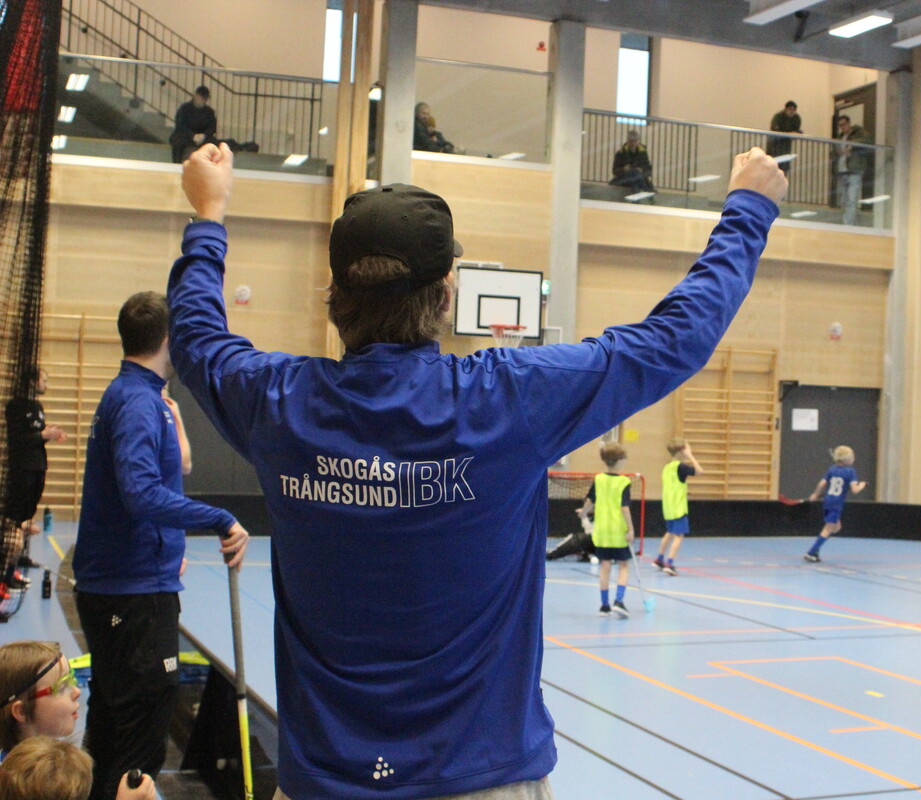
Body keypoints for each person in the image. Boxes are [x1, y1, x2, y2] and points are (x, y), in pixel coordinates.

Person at [170, 141, 785, 799]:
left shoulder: (277, 404)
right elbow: (672, 340)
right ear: (446, 295)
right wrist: (747, 209)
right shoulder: (507, 398)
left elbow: (196, 336)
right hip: (482, 777)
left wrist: (209, 215)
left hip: (325, 782)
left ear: (334, 296)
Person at [71, 292, 249, 800]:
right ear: (170, 339)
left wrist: (168, 550)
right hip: (131, 595)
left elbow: (162, 477)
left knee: (114, 725)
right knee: (137, 740)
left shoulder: (140, 395)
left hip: (133, 583)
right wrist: (219, 518)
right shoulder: (136, 402)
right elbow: (141, 493)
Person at [0, 644, 155, 800]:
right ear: (21, 711)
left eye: (72, 679)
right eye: (62, 687)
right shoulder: (37, 783)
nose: (76, 691)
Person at [3, 368, 66, 597]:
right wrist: (42, 435)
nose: (45, 384)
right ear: (31, 381)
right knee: (14, 521)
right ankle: (6, 574)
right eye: (43, 380)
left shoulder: (37, 406)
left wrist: (49, 434)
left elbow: (37, 436)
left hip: (38, 466)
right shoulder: (16, 406)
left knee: (27, 517)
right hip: (22, 469)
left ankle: (18, 561)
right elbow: (18, 440)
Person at [579, 444, 636, 617]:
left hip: (602, 532)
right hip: (618, 532)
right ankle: (619, 602)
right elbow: (624, 508)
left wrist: (583, 513)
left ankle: (604, 606)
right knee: (623, 566)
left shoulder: (599, 479)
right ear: (619, 461)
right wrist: (631, 529)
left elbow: (590, 501)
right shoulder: (624, 482)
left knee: (605, 566)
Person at [804, 445, 866, 563]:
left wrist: (815, 494)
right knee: (829, 528)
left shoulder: (832, 469)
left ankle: (816, 549)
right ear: (846, 459)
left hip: (827, 501)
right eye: (852, 456)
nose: (854, 458)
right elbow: (855, 490)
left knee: (836, 527)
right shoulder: (850, 471)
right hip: (836, 504)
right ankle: (811, 552)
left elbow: (822, 483)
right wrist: (862, 485)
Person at [654, 438, 703, 576]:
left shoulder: (667, 467)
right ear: (682, 451)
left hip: (668, 506)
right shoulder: (681, 467)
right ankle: (669, 564)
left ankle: (659, 559)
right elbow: (699, 471)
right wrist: (691, 456)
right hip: (678, 507)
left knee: (669, 532)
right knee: (679, 535)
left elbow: (673, 485)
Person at [832, 115, 871, 226]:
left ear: (849, 123)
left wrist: (852, 145)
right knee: (844, 200)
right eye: (840, 125)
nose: (842, 127)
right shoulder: (840, 137)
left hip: (854, 170)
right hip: (842, 170)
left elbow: (868, 140)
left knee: (852, 198)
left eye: (844, 124)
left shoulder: (858, 132)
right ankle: (848, 222)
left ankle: (849, 224)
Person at [169, 86, 216, 164]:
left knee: (213, 143)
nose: (204, 101)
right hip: (186, 135)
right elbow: (180, 125)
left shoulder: (209, 112)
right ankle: (177, 163)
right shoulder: (184, 108)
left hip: (203, 137)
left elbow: (212, 128)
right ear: (196, 96)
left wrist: (204, 135)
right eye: (202, 98)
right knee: (177, 140)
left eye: (205, 99)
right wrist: (192, 135)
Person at [609, 129, 654, 194]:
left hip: (635, 179)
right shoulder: (620, 153)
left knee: (636, 176)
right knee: (636, 178)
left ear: (638, 141)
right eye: (631, 141)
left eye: (635, 141)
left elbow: (648, 170)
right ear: (628, 141)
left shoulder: (643, 153)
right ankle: (641, 194)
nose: (633, 143)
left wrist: (641, 170)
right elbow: (615, 171)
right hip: (626, 178)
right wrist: (624, 169)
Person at [766, 101, 801, 173]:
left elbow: (796, 130)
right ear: (785, 109)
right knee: (773, 165)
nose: (791, 112)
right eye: (790, 109)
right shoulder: (778, 116)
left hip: (786, 146)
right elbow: (775, 129)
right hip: (774, 144)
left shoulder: (796, 118)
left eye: (793, 110)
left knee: (784, 166)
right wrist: (789, 134)